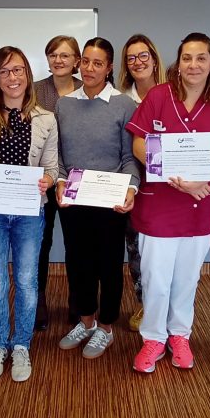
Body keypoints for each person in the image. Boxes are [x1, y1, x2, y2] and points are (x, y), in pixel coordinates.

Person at [127, 32, 210, 373]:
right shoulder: (160, 96)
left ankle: (179, 335)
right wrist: (173, 175)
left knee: (187, 278)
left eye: (201, 58)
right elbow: (138, 145)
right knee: (155, 278)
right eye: (187, 58)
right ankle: (153, 339)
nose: (193, 64)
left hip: (199, 202)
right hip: (159, 205)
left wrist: (200, 179)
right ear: (178, 64)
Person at [0, 46, 57, 382]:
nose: (12, 77)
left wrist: (48, 180)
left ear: (27, 75)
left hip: (30, 212)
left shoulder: (46, 118)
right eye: (5, 72)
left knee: (27, 283)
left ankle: (21, 345)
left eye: (18, 70)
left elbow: (52, 168)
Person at [55, 37, 139, 359]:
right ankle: (86, 321)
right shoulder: (65, 104)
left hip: (110, 200)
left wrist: (131, 188)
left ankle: (105, 327)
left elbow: (130, 157)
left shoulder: (122, 105)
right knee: (78, 264)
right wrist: (61, 181)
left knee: (107, 265)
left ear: (109, 68)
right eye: (85, 62)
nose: (89, 68)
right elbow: (60, 155)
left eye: (97, 63)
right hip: (75, 201)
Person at [118, 34, 166, 332]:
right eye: (131, 58)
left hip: (167, 188)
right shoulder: (122, 98)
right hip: (132, 185)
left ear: (154, 57)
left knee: (165, 252)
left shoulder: (173, 94)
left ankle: (169, 308)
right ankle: (144, 304)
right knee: (136, 250)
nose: (137, 62)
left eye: (143, 55)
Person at [34, 35, 82, 329]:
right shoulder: (35, 91)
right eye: (53, 54)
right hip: (41, 179)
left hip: (77, 178)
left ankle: (78, 302)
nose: (58, 60)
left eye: (65, 55)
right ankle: (37, 300)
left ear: (77, 60)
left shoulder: (87, 89)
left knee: (76, 243)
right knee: (40, 242)